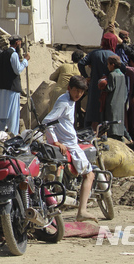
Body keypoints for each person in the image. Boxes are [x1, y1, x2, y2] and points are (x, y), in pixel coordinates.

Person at [43, 75, 98, 222]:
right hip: (69, 146)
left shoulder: (69, 100)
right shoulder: (64, 102)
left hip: (71, 142)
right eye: (76, 91)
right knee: (89, 175)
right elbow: (47, 122)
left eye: (81, 92)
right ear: (69, 89)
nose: (79, 94)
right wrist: (55, 142)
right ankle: (82, 211)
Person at [78, 31, 118, 131]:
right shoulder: (114, 56)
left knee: (92, 108)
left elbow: (81, 63)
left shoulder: (94, 53)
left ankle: (89, 130)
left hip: (94, 86)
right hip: (108, 87)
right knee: (105, 110)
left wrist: (86, 76)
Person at [0, 35, 29, 134]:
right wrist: (25, 61)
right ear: (17, 42)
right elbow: (17, 70)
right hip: (11, 90)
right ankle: (12, 138)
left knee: (1, 117)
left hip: (1, 89)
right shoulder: (13, 54)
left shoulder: (2, 54)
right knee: (12, 118)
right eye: (20, 44)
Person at [98, 55, 127, 139]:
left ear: (112, 65)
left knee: (111, 121)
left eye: (108, 64)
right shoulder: (122, 75)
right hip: (120, 102)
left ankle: (112, 135)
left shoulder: (112, 75)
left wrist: (102, 83)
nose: (107, 66)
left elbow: (109, 88)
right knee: (118, 120)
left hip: (112, 102)